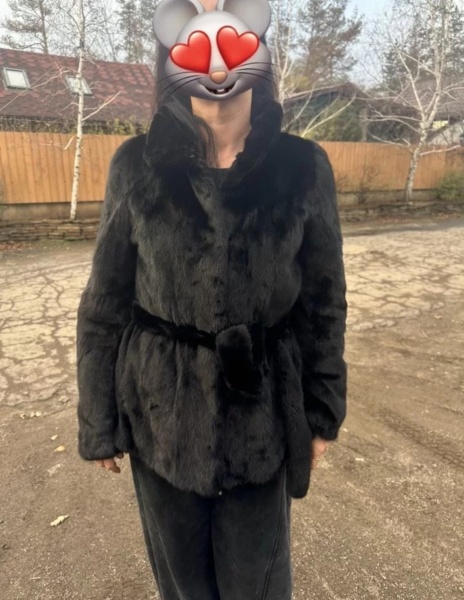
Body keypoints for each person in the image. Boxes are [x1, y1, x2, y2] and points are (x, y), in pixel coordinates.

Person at [76, 0, 347, 598]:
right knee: (182, 587)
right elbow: (104, 302)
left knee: (260, 585)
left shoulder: (302, 166)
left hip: (263, 418)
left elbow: (324, 302)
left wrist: (322, 409)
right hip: (159, 416)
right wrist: (98, 419)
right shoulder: (136, 165)